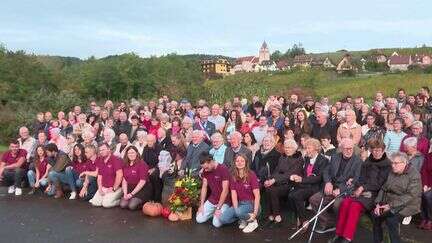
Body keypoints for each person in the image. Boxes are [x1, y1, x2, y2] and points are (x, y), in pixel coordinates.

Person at [330, 139, 391, 243]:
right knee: (345, 203)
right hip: (360, 190)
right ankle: (339, 233)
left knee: (354, 206)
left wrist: (363, 188)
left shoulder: (386, 164)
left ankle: (347, 237)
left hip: (374, 194)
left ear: (383, 150)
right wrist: (355, 182)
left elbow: (379, 183)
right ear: (371, 150)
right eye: (374, 150)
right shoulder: (368, 161)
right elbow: (361, 177)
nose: (376, 152)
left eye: (379, 150)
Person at [309, 138, 362, 234]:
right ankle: (328, 222)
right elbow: (326, 171)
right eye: (346, 148)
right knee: (314, 199)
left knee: (337, 205)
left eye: (351, 148)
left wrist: (341, 190)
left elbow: (357, 180)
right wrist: (328, 182)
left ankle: (340, 227)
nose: (349, 151)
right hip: (331, 187)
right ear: (341, 148)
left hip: (345, 190)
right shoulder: (335, 157)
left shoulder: (358, 161)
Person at [372, 152, 422, 243]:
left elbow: (410, 196)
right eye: (392, 163)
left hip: (408, 204)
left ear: (404, 163)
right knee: (376, 215)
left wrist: (389, 206)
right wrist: (378, 203)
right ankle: (378, 241)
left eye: (396, 163)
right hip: (391, 202)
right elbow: (384, 188)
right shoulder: (392, 172)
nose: (393, 165)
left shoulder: (414, 175)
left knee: (391, 220)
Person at [288, 138, 329, 230]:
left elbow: (319, 178)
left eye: (309, 148)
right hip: (305, 184)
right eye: (306, 148)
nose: (307, 150)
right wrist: (296, 176)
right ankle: (299, 217)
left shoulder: (323, 160)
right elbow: (303, 173)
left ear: (316, 148)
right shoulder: (306, 158)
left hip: (316, 187)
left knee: (296, 195)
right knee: (290, 195)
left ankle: (304, 221)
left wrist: (302, 179)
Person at [263, 139, 303, 226]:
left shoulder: (298, 158)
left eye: (289, 148)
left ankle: (277, 216)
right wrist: (270, 179)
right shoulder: (282, 157)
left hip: (290, 183)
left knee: (273, 190)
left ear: (294, 149)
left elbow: (290, 174)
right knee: (268, 188)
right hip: (279, 181)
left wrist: (274, 180)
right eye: (286, 147)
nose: (287, 149)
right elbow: (277, 170)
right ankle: (271, 215)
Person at [219, 154, 261, 233]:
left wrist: (255, 213)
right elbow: (233, 194)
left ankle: (252, 221)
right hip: (240, 204)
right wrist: (236, 208)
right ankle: (244, 218)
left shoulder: (251, 174)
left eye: (242, 161)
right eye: (237, 161)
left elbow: (257, 196)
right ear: (234, 162)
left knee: (239, 212)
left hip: (252, 204)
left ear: (246, 162)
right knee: (222, 219)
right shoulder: (233, 176)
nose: (239, 162)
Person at [196, 152, 231, 228]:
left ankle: (229, 214)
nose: (205, 170)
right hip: (213, 199)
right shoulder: (205, 171)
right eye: (203, 168)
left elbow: (225, 190)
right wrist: (201, 205)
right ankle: (212, 212)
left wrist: (218, 208)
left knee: (216, 223)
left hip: (224, 201)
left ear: (211, 161)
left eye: (206, 167)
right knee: (199, 219)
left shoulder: (223, 169)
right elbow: (204, 187)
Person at [89, 143, 123, 208]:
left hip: (116, 187)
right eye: (100, 150)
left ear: (109, 149)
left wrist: (114, 188)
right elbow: (99, 176)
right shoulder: (100, 160)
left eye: (103, 149)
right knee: (95, 203)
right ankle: (106, 198)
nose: (101, 152)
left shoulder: (115, 159)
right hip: (104, 187)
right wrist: (100, 188)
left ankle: (120, 201)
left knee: (106, 204)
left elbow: (120, 175)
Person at [120, 146, 153, 210]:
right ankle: (131, 199)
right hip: (130, 187)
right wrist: (125, 193)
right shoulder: (125, 164)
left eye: (133, 152)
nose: (131, 154)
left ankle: (145, 203)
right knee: (123, 205)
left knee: (132, 206)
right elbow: (124, 180)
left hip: (142, 188)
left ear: (137, 153)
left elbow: (142, 181)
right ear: (126, 154)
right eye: (129, 153)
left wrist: (132, 194)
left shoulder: (142, 164)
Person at [419, 152, 432, 230]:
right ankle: (424, 218)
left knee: (428, 196)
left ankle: (430, 219)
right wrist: (425, 184)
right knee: (420, 194)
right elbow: (423, 171)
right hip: (427, 183)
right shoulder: (428, 156)